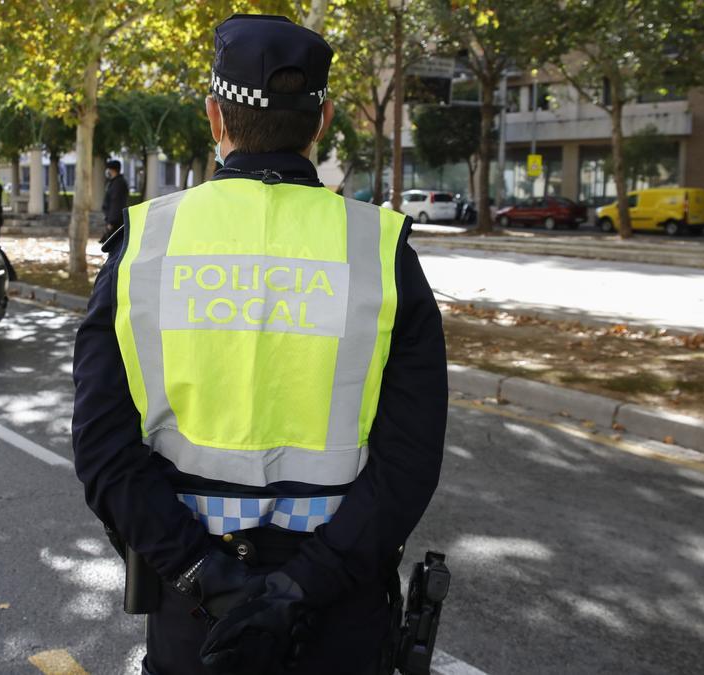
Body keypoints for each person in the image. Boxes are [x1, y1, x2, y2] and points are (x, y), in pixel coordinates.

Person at [71, 13, 447, 675]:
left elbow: (104, 450)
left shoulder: (146, 246)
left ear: (215, 118)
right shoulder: (382, 251)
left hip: (198, 621)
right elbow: (407, 462)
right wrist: (297, 588)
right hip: (339, 619)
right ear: (323, 119)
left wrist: (205, 575)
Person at [101, 159, 129, 243]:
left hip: (116, 222)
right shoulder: (115, 182)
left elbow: (116, 203)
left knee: (114, 245)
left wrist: (111, 222)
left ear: (112, 170)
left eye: (108, 169)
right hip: (115, 220)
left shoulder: (118, 183)